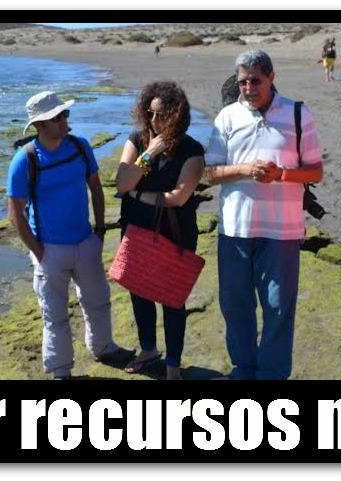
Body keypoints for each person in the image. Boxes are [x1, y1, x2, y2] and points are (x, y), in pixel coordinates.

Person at [204, 50, 324, 380]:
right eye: (243, 81)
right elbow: (210, 173)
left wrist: (281, 175)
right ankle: (244, 369)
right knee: (235, 304)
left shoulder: (298, 113)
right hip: (235, 229)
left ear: (271, 77)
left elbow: (315, 171)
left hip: (283, 231)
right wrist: (245, 169)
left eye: (255, 80)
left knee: (278, 306)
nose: (249, 88)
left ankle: (272, 373)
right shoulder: (227, 117)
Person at [7, 90, 134, 380]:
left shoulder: (80, 146)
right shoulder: (24, 160)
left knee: (99, 300)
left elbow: (96, 188)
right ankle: (61, 371)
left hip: (86, 241)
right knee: (55, 316)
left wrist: (99, 230)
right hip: (50, 250)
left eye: (65, 114)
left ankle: (104, 348)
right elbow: (15, 214)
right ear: (40, 125)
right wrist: (39, 252)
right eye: (57, 117)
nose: (65, 120)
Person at [115, 81, 205, 381]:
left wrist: (139, 195)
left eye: (161, 115)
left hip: (174, 233)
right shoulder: (137, 141)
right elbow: (122, 183)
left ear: (176, 116)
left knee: (172, 297)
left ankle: (173, 364)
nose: (153, 121)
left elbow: (178, 198)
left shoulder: (192, 151)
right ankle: (148, 349)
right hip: (136, 229)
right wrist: (149, 154)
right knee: (139, 290)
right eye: (150, 113)